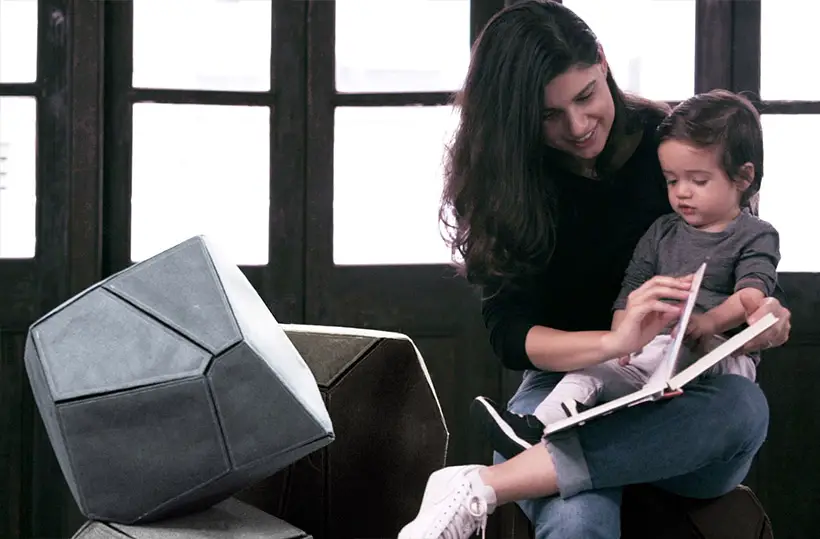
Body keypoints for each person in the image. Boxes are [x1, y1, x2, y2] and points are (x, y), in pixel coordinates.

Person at [396, 2, 791, 538]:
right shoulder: (506, 183)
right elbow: (509, 334)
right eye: (548, 115)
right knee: (578, 516)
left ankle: (489, 482)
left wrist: (755, 321)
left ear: (602, 62)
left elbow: (738, 258)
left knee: (743, 406)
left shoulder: (672, 148)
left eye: (585, 97)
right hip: (565, 390)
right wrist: (614, 342)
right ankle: (539, 465)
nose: (578, 126)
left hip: (684, 398)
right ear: (515, 118)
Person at [471, 90, 781, 456]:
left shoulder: (755, 234)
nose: (681, 193)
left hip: (718, 355)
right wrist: (621, 337)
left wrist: (708, 323)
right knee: (596, 370)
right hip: (656, 349)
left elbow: (751, 297)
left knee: (724, 397)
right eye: (670, 180)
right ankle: (539, 426)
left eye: (697, 181)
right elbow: (631, 289)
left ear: (743, 178)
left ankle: (580, 444)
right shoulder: (662, 230)